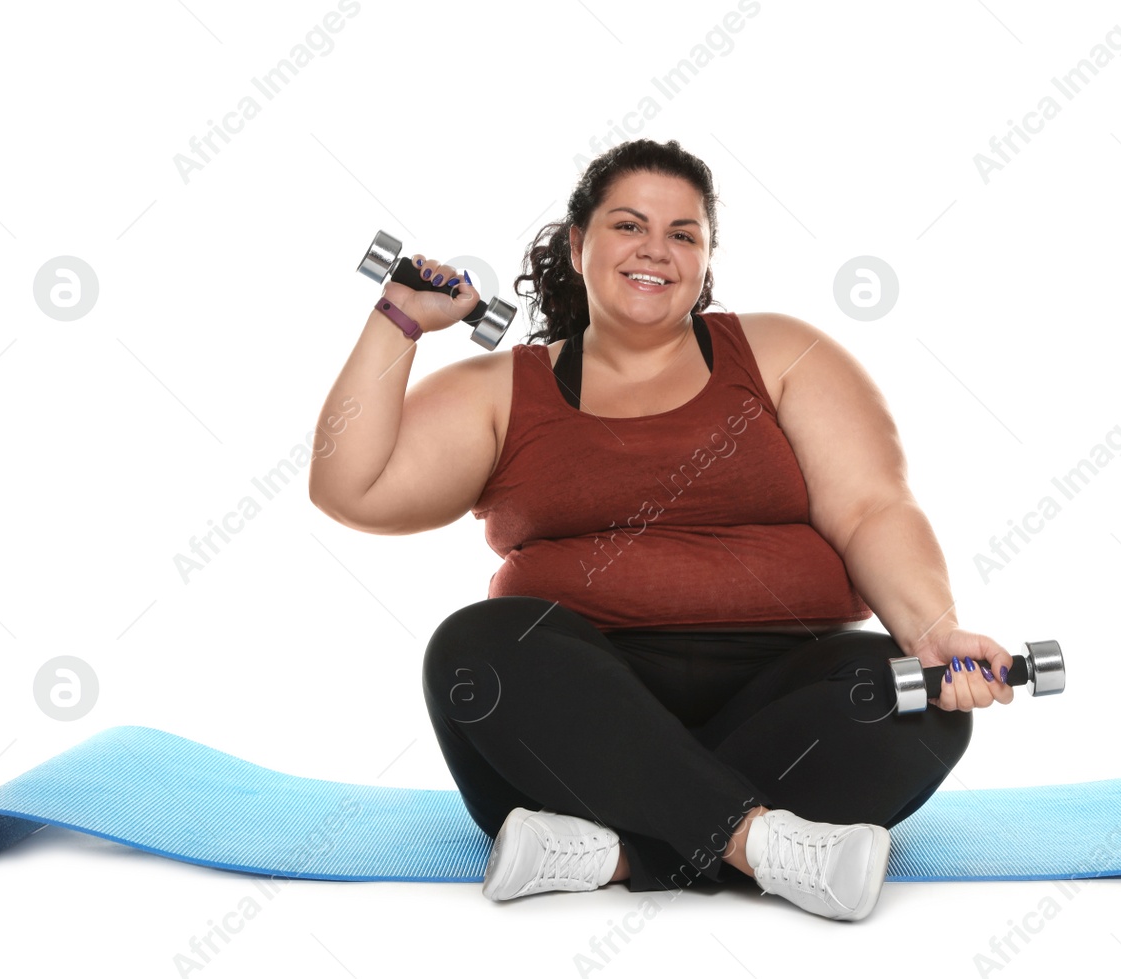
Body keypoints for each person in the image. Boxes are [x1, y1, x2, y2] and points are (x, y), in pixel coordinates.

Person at [307, 138, 1015, 922]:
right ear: (577, 245)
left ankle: (611, 853)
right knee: (477, 650)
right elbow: (351, 488)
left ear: (706, 261)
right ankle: (765, 847)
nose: (657, 249)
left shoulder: (783, 353)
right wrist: (398, 319)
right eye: (629, 225)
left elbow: (871, 508)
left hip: (780, 685)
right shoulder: (503, 390)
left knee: (914, 700)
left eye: (684, 233)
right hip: (573, 708)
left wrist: (935, 630)